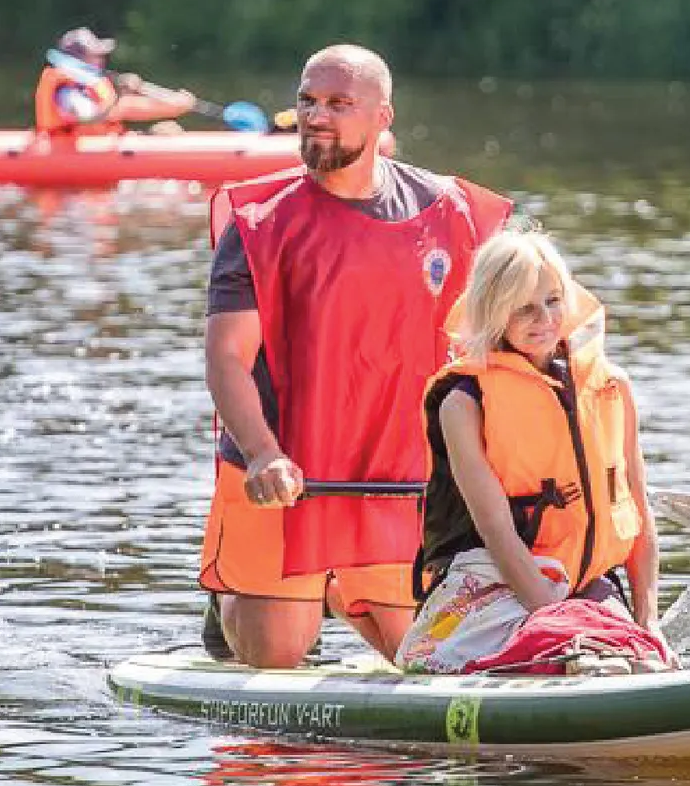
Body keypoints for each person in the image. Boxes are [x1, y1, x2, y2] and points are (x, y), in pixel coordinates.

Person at [199, 44, 514, 668]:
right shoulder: (258, 224)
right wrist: (263, 454)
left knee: (430, 660)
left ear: (383, 117)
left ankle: (344, 590)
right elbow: (227, 358)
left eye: (339, 104)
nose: (317, 116)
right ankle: (228, 601)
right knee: (277, 657)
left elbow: (525, 327)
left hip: (394, 475)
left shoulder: (453, 213)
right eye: (307, 101)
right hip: (286, 473)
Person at [398, 226, 664, 674]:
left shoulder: (612, 387)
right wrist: (551, 618)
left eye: (553, 301)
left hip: (586, 587)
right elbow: (496, 529)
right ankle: (559, 650)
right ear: (495, 313)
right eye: (524, 308)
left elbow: (637, 510)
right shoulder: (463, 403)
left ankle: (592, 647)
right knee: (566, 650)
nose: (544, 319)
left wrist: (649, 621)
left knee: (636, 655)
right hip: (493, 581)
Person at [33, 27, 195, 135]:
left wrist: (173, 104)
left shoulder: (88, 84)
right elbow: (87, 115)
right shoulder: (66, 90)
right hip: (70, 152)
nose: (101, 61)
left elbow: (119, 108)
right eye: (95, 56)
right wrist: (171, 106)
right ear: (79, 59)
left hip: (99, 145)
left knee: (167, 130)